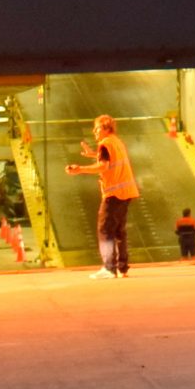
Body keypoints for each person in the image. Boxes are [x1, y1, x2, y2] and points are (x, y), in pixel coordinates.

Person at [65, 113, 138, 278]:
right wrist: (94, 154)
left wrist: (80, 169)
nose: (94, 131)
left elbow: (104, 166)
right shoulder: (116, 142)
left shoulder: (105, 144)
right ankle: (122, 266)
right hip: (126, 192)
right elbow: (111, 159)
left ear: (106, 128)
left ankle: (108, 267)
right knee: (119, 231)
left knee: (105, 229)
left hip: (113, 193)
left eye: (97, 128)